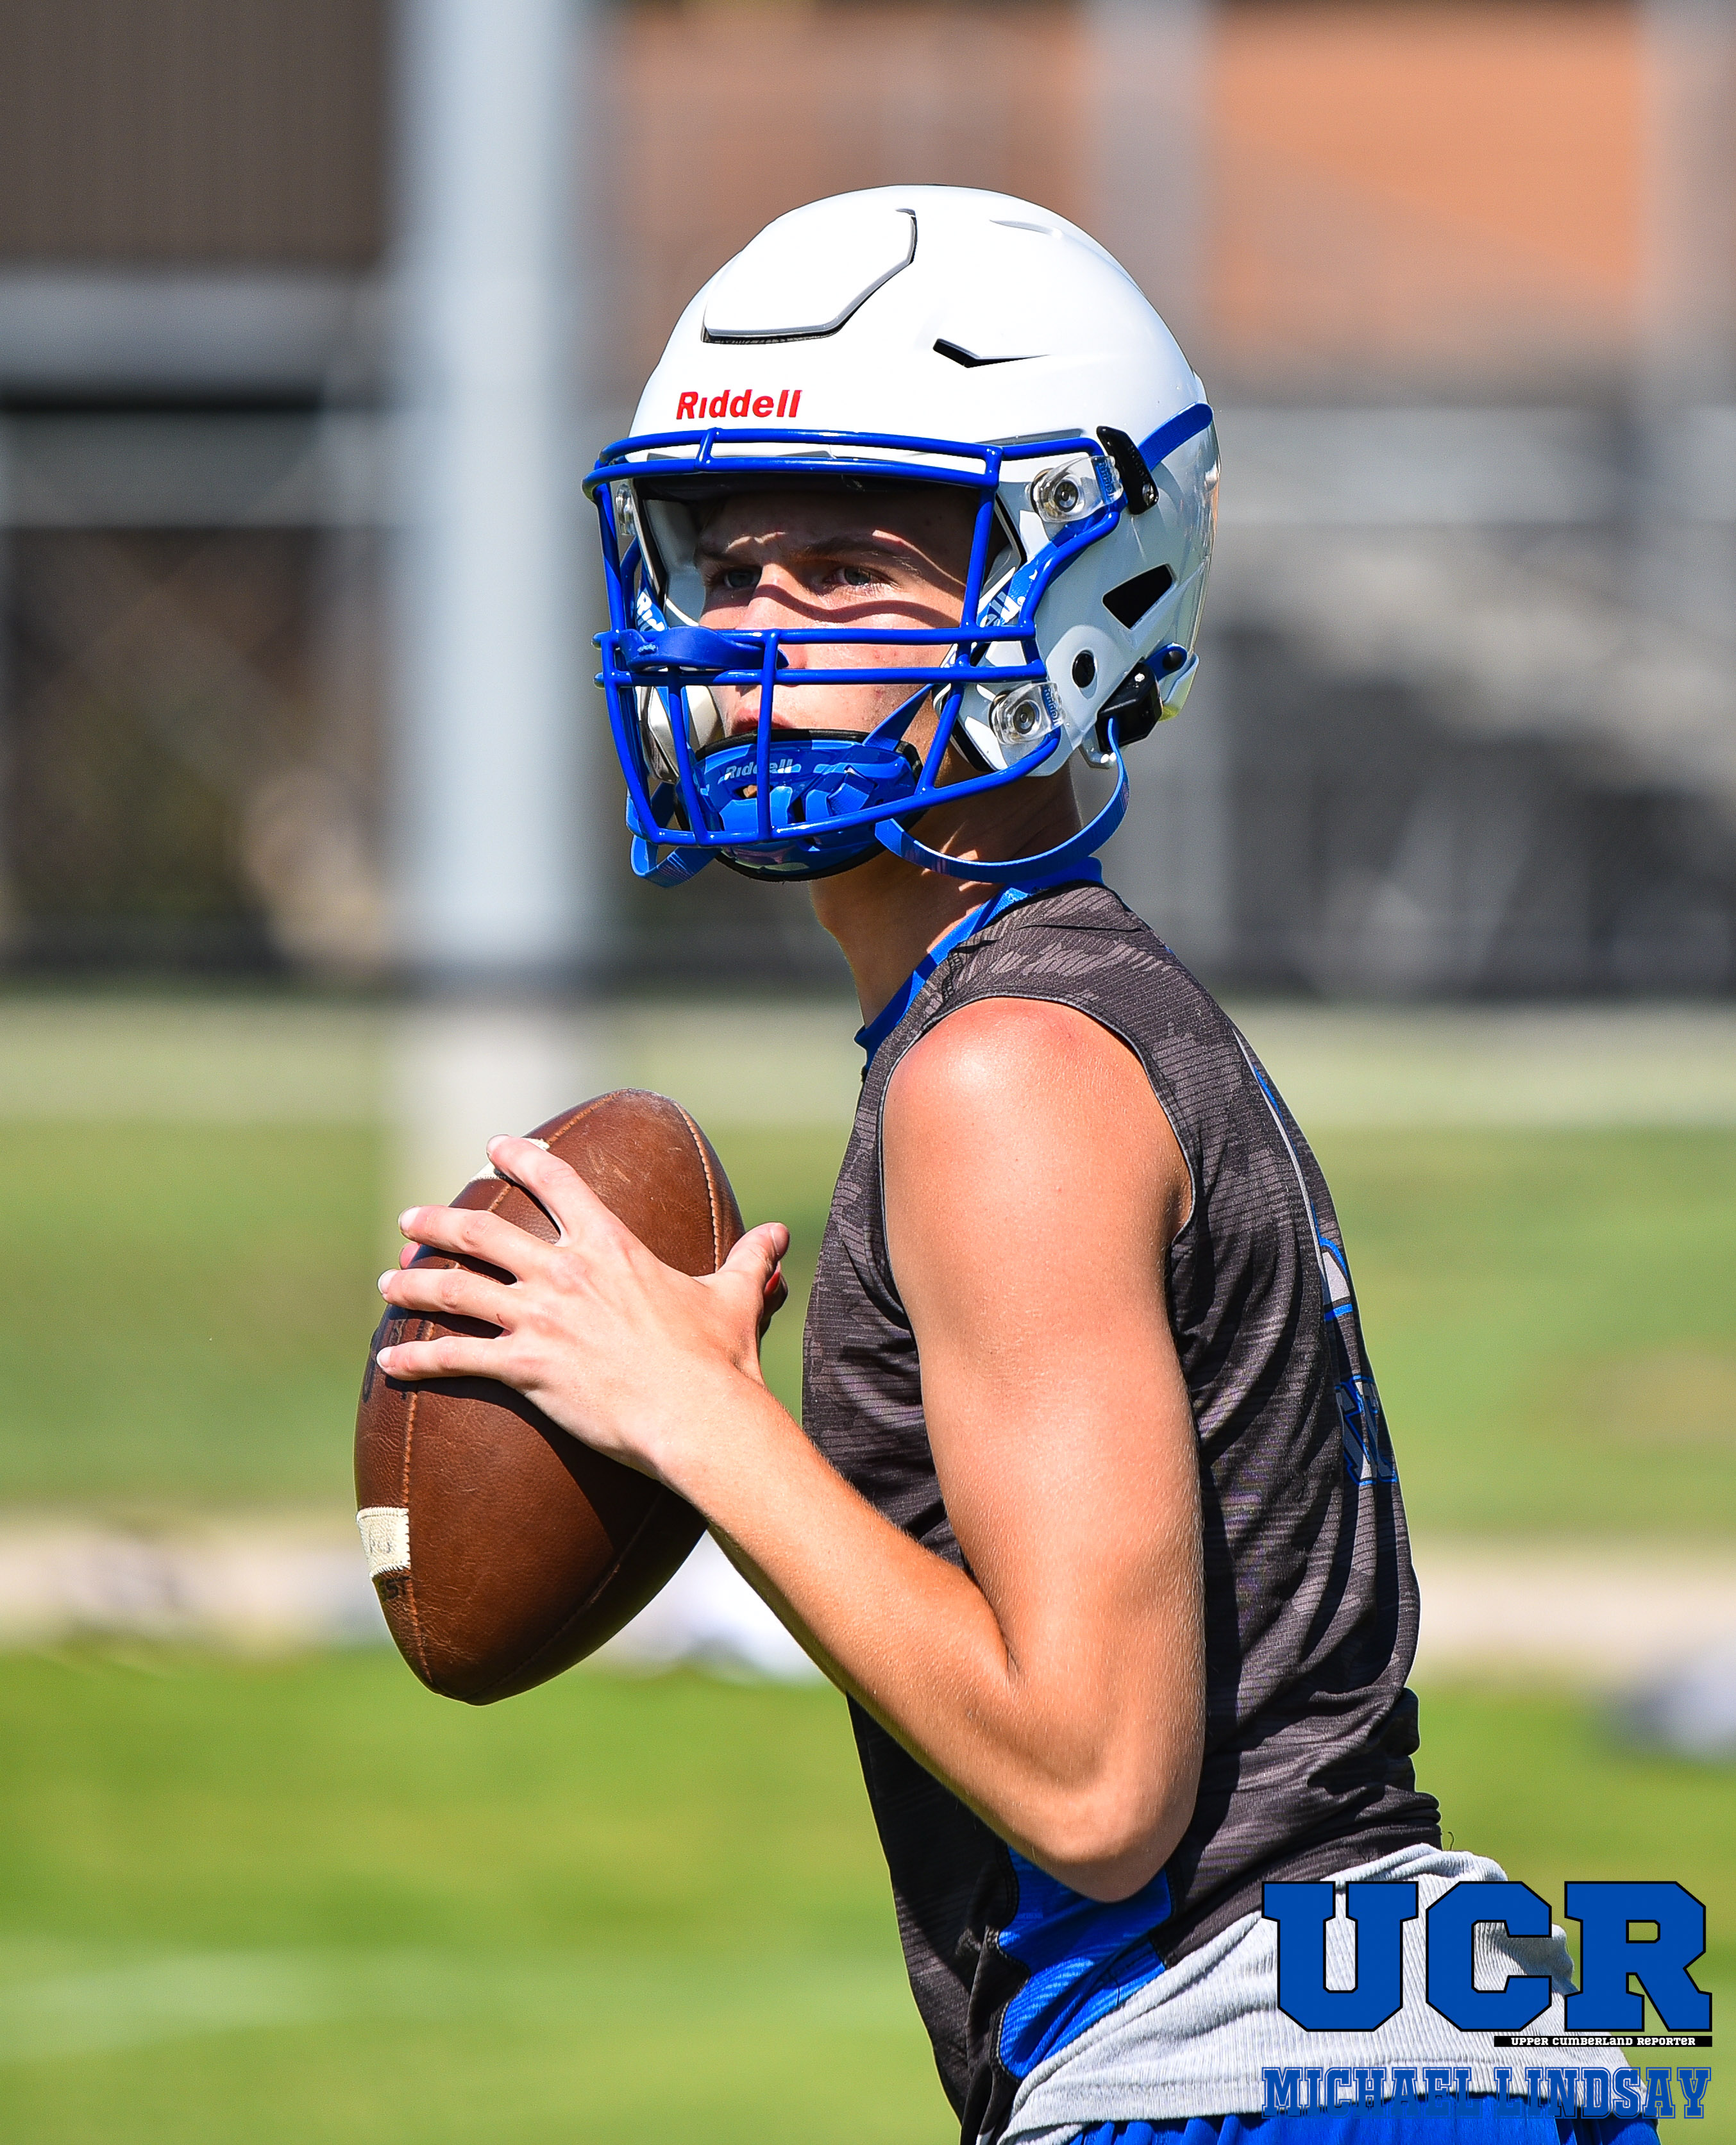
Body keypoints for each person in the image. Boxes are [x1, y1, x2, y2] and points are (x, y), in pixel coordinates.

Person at [373, 190, 1643, 2145]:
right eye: (727, 562)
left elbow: (1094, 1784)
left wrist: (693, 1415)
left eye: (847, 566)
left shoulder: (1003, 1074)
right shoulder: (1047, 1014)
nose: (749, 629)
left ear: (1084, 581)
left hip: (1249, 2076)